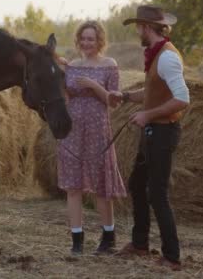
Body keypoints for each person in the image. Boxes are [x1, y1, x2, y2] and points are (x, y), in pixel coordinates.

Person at [108, 5, 190, 270]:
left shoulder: (167, 57)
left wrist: (147, 115)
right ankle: (140, 244)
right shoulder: (157, 54)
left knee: (157, 193)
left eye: (138, 28)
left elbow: (181, 99)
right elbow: (157, 89)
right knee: (137, 184)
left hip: (163, 132)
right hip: (153, 130)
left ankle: (172, 257)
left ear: (145, 27)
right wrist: (129, 97)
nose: (137, 33)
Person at [57, 20, 127, 255]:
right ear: (78, 40)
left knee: (101, 186)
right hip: (73, 130)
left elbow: (114, 102)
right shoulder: (73, 66)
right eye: (83, 38)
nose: (87, 43)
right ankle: (76, 240)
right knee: (73, 186)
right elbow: (66, 97)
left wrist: (94, 85)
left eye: (92, 39)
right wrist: (61, 72)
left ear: (100, 41)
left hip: (98, 130)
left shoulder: (109, 65)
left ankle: (109, 237)